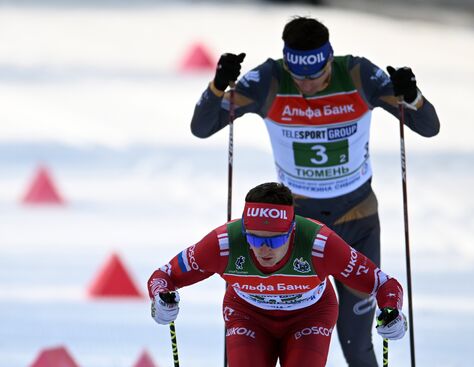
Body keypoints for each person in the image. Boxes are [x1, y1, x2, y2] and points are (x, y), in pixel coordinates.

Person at [190, 16, 439, 366]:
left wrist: (411, 95)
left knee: (355, 342)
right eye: (299, 77)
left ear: (329, 59)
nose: (307, 85)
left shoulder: (358, 75)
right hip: (296, 235)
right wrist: (217, 86)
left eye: (316, 75)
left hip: (357, 222)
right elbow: (202, 127)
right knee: (268, 337)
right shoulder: (269, 80)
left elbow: (429, 127)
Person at [148, 182, 407, 367]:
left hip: (309, 315)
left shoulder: (321, 245)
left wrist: (392, 313)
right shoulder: (224, 243)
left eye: (274, 240)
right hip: (248, 315)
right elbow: (165, 275)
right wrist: (161, 300)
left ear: (292, 230)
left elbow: (383, 284)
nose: (263, 248)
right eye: (254, 238)